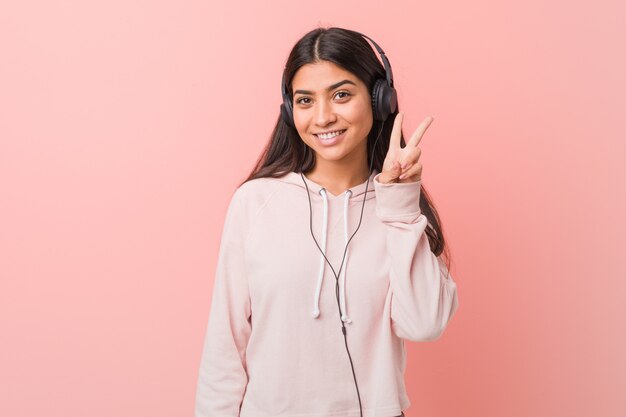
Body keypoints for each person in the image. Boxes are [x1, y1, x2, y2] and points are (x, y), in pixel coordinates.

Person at [194, 26, 459, 417]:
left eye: (341, 94)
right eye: (305, 100)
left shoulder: (399, 211)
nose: (323, 117)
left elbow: (424, 325)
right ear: (290, 110)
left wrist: (401, 206)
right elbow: (225, 347)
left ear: (379, 100)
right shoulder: (255, 202)